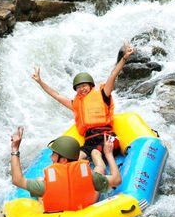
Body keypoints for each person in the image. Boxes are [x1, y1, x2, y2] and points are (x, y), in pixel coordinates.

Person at [31, 43, 135, 174]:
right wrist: (40, 82)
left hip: (106, 138)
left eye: (84, 85)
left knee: (96, 154)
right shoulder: (76, 104)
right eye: (79, 87)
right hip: (89, 141)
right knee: (75, 157)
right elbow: (56, 95)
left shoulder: (104, 94)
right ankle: (64, 181)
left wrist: (124, 58)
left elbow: (113, 75)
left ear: (91, 86)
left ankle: (98, 178)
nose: (82, 89)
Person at [10, 127, 121, 212]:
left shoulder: (45, 185)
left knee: (39, 180)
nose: (51, 157)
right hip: (85, 210)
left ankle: (95, 154)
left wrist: (15, 149)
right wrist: (109, 154)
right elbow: (116, 180)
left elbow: (17, 180)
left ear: (63, 160)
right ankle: (96, 154)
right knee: (100, 170)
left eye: (54, 154)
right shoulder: (90, 177)